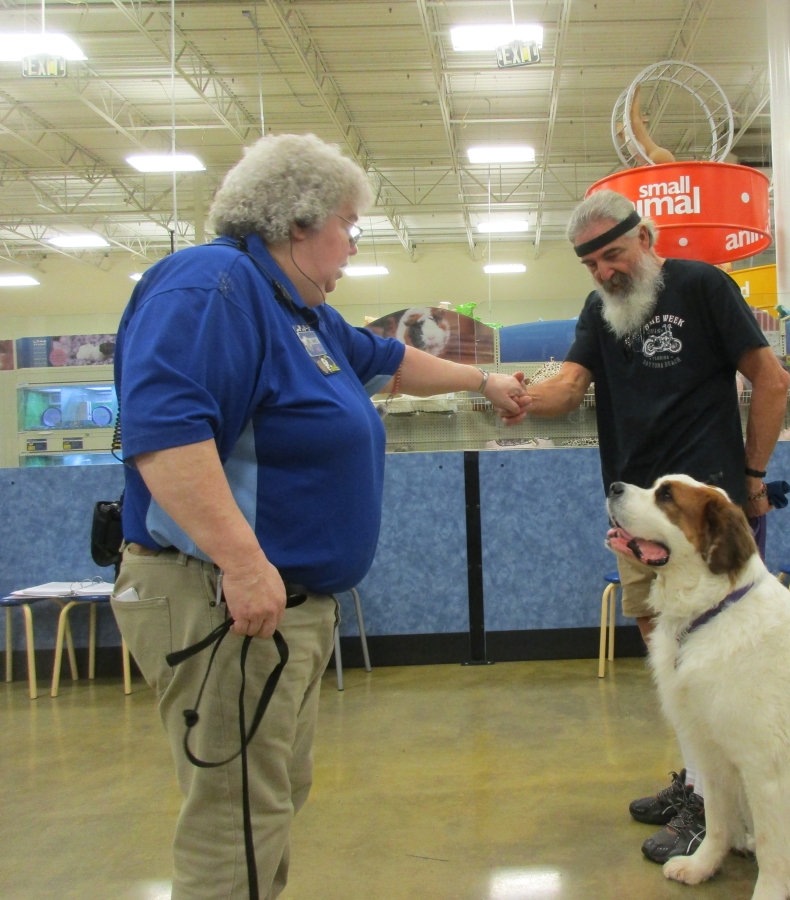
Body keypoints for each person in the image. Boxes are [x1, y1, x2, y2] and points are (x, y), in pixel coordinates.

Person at [109, 132, 529, 900]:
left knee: (266, 800)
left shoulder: (298, 311)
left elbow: (389, 362)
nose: (352, 248)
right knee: (234, 818)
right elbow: (164, 436)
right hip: (220, 599)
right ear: (299, 221)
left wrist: (483, 381)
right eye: (348, 227)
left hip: (277, 606)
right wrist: (243, 563)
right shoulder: (212, 286)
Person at [503, 190, 790, 864]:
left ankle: (720, 810)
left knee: (718, 665)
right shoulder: (598, 313)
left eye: (614, 254)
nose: (605, 272)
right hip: (638, 516)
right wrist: (518, 395)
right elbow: (569, 386)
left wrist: (752, 478)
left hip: (704, 521)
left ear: (647, 238)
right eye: (591, 264)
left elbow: (772, 381)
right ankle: (700, 783)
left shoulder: (702, 287)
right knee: (673, 661)